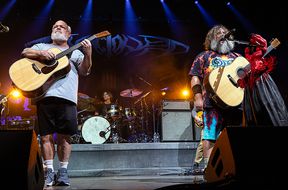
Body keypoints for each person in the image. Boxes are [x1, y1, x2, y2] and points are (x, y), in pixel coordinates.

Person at [21, 20, 92, 186]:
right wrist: (41, 55)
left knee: (65, 137)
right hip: (44, 96)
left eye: (62, 26)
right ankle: (49, 172)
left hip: (67, 98)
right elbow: (25, 52)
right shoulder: (42, 46)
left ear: (68, 33)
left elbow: (85, 71)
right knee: (45, 137)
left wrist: (88, 53)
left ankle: (63, 171)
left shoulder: (75, 52)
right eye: (55, 26)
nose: (58, 28)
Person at [188, 24, 242, 172]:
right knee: (209, 135)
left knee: (234, 136)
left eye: (225, 32)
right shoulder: (203, 56)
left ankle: (233, 168)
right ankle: (209, 168)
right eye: (219, 33)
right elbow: (195, 78)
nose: (223, 34)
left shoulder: (238, 58)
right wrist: (197, 97)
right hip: (211, 103)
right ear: (212, 38)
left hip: (235, 105)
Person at [238, 34, 288, 126]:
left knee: (267, 108)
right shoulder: (249, 56)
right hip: (250, 85)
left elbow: (257, 65)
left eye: (253, 45)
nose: (249, 46)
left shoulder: (260, 59)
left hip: (261, 83)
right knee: (253, 113)